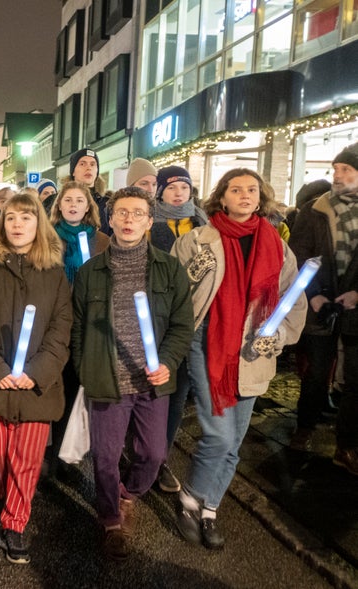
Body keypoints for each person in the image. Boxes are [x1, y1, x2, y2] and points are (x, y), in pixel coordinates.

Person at [172, 168, 306, 550]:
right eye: (236, 189)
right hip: (207, 342)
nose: (245, 195)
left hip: (254, 347)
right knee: (219, 434)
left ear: (261, 197)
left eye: (252, 189)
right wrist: (191, 276)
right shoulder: (199, 238)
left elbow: (291, 297)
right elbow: (171, 290)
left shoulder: (277, 245)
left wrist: (278, 337)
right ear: (222, 197)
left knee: (235, 442)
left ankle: (210, 509)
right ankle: (188, 498)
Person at [71, 186, 193, 559]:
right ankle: (110, 519)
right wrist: (85, 369)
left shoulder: (169, 268)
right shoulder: (91, 271)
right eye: (122, 213)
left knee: (154, 454)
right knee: (106, 457)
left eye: (137, 213)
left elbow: (182, 326)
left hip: (153, 382)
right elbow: (78, 327)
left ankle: (129, 494)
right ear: (110, 218)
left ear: (149, 220)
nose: (128, 220)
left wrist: (168, 362)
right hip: (108, 380)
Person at [0, 192, 72, 564]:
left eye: (26, 218)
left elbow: (61, 328)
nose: (18, 225)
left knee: (26, 459)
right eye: (11, 218)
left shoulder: (54, 274)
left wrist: (36, 373)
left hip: (37, 388)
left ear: (38, 224)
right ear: (1, 224)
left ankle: (15, 523)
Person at [289, 144, 358, 467]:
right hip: (320, 305)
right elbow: (299, 256)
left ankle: (346, 444)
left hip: (355, 308)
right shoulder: (315, 210)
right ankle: (304, 429)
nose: (338, 175)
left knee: (356, 379)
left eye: (346, 170)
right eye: (336, 169)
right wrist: (314, 294)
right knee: (317, 374)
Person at [150, 165, 208, 493]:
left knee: (177, 393)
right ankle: (139, 451)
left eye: (183, 187)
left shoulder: (203, 224)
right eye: (171, 187)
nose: (177, 192)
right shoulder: (149, 222)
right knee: (148, 390)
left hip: (192, 320)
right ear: (160, 191)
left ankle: (161, 460)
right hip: (154, 317)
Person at [47, 180, 111, 461]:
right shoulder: (47, 238)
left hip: (88, 325)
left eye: (79, 201)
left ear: (88, 207)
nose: (73, 205)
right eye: (68, 200)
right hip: (55, 322)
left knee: (76, 385)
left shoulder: (102, 241)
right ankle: (47, 449)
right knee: (53, 384)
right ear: (59, 205)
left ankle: (69, 448)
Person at [69, 148, 110, 235]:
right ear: (73, 172)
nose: (88, 168)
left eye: (93, 164)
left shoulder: (107, 204)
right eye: (82, 164)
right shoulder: (57, 201)